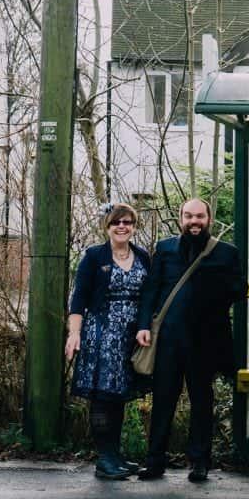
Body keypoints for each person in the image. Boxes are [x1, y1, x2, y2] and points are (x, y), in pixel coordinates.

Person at [136, 198, 246, 483]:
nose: (194, 222)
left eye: (199, 216)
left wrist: (212, 291)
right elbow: (151, 290)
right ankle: (154, 462)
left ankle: (200, 463)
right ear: (180, 218)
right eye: (188, 216)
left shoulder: (227, 253)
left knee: (201, 402)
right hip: (168, 340)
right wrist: (144, 325)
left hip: (205, 341)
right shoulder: (164, 249)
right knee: (162, 402)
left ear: (209, 219)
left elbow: (239, 290)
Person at [66, 202, 152, 480]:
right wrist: (74, 333)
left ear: (134, 227)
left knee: (119, 397)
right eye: (117, 222)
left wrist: (144, 326)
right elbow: (78, 298)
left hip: (130, 338)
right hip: (101, 336)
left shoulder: (142, 256)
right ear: (108, 226)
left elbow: (149, 298)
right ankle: (105, 459)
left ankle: (115, 456)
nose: (122, 227)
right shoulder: (94, 256)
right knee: (103, 397)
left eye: (127, 222)